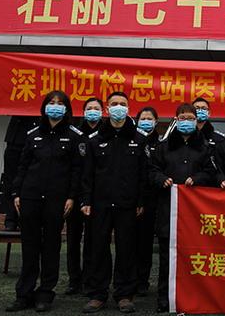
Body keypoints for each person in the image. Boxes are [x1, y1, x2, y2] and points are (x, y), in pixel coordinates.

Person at [6, 91, 82, 313]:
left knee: (51, 246)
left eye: (60, 103)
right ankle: (23, 294)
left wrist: (71, 197)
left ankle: (45, 294)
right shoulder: (32, 135)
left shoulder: (73, 136)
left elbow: (76, 171)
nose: (55, 106)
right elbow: (22, 167)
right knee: (29, 246)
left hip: (57, 200)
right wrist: (16, 194)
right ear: (44, 107)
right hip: (29, 197)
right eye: (51, 102)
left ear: (66, 109)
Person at [80, 92, 147, 314]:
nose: (119, 107)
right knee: (98, 248)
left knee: (126, 249)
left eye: (123, 104)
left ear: (129, 108)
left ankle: (124, 294)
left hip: (128, 204)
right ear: (107, 109)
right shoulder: (95, 139)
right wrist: (86, 200)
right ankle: (97, 294)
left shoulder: (139, 138)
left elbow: (143, 175)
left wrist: (140, 200)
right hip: (99, 203)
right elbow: (87, 174)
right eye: (114, 104)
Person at [148, 103, 216, 314]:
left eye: (190, 118)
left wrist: (197, 179)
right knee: (167, 257)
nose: (187, 122)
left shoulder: (205, 147)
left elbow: (211, 172)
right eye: (183, 118)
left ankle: (193, 296)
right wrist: (161, 179)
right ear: (176, 120)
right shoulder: (164, 146)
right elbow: (152, 170)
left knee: (193, 257)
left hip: (195, 213)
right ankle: (164, 298)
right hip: (169, 209)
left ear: (197, 121)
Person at [65, 97, 103, 296]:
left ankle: (89, 279)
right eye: (90, 108)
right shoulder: (75, 134)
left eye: (97, 108)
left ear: (102, 112)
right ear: (84, 111)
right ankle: (74, 280)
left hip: (95, 196)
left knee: (92, 240)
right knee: (73, 239)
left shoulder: (105, 134)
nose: (93, 111)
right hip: (75, 193)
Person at [135, 107, 163, 297]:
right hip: (137, 200)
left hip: (157, 199)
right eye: (143, 118)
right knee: (136, 243)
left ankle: (146, 281)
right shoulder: (134, 141)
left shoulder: (162, 143)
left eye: (149, 118)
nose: (146, 121)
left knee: (151, 244)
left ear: (156, 121)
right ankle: (135, 280)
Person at [0, 114, 40, 231]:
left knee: (34, 181)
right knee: (11, 181)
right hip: (16, 137)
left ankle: (28, 219)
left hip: (40, 137)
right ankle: (11, 218)